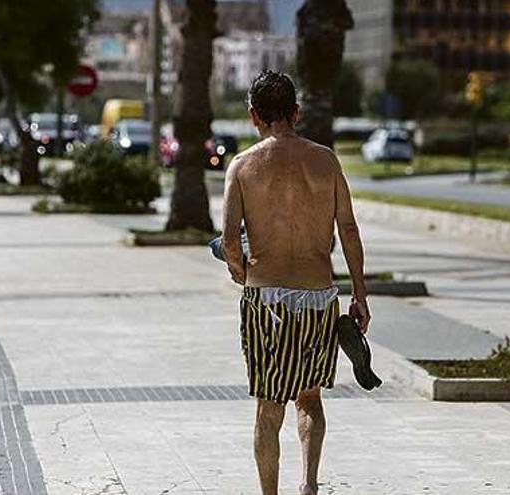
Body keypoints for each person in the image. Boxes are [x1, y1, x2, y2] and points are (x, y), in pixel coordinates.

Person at [220, 70, 370, 495]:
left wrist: (239, 270)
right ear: (296, 113)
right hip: (318, 298)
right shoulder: (326, 161)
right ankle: (308, 486)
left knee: (268, 407)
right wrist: (359, 293)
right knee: (309, 398)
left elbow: (231, 240)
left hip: (266, 298)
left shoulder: (243, 167)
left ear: (254, 116)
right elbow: (350, 230)